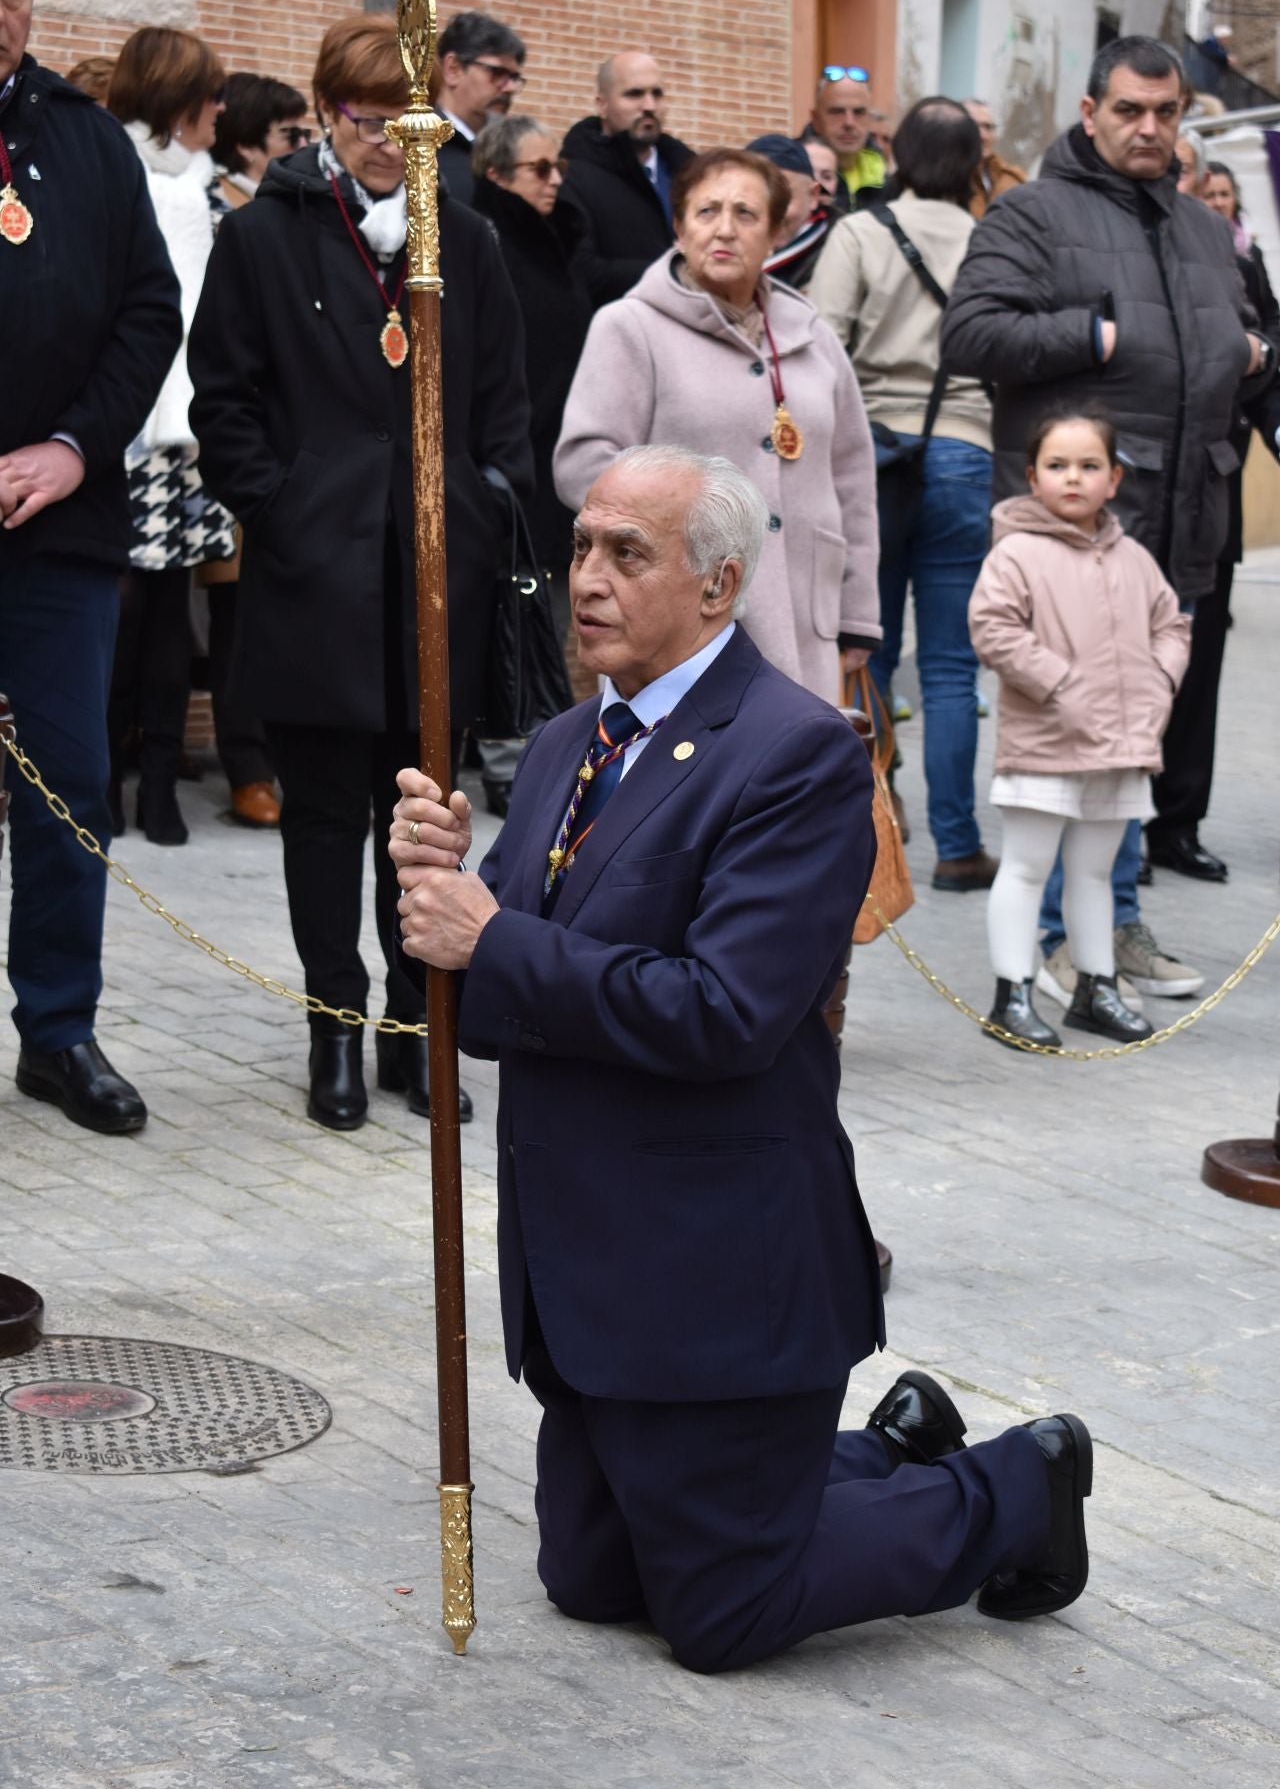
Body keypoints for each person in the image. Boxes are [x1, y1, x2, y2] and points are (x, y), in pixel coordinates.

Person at [386, 443, 1094, 1675]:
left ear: (716, 585)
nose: (586, 578)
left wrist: (493, 937)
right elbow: (485, 1005)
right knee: (590, 1583)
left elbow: (723, 1013)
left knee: (723, 1615)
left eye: (628, 553)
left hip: (715, 1275)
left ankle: (1015, 1485)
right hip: (591, 1279)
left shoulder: (795, 753)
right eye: (581, 546)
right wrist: (433, 891)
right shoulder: (564, 745)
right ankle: (881, 1451)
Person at [189, 13, 533, 1134]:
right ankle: (333, 1027)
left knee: (421, 819)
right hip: (315, 574)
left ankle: (413, 1030)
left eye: (410, 124)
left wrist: (479, 504)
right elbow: (223, 400)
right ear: (326, 112)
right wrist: (282, 506)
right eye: (368, 120)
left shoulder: (464, 239)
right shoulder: (263, 234)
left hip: (436, 575)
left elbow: (504, 401)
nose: (390, 142)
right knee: (327, 817)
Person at [941, 35, 1272, 1008]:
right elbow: (970, 332)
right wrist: (1093, 333)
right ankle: (1054, 943)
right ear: (1089, 113)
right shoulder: (1032, 212)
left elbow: (1240, 340)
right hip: (1066, 545)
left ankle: (1111, 930)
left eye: (1165, 113)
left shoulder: (1203, 228)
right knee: (1067, 750)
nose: (1147, 128)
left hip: (1180, 526)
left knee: (1131, 746)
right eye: (1128, 110)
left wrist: (1251, 353)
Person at [0, 0, 182, 1133]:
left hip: (59, 529)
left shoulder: (86, 137)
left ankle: (58, 1031)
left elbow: (148, 312)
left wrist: (70, 448)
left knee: (69, 781)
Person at [554, 146, 880, 707]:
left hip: (808, 618)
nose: (724, 228)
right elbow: (583, 462)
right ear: (679, 228)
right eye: (707, 211)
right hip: (681, 618)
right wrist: (680, 522)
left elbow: (852, 477)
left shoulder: (812, 335)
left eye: (746, 214)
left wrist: (858, 616)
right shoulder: (630, 327)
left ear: (776, 233)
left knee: (799, 755)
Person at [809, 98, 996, 888]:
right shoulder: (994, 240)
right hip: (967, 451)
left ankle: (874, 822)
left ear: (899, 157)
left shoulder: (860, 232)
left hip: (875, 458)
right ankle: (958, 846)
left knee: (867, 647)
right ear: (974, 164)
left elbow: (820, 348)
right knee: (951, 667)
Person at [971, 412, 1190, 1048]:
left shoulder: (1135, 559)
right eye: (1058, 465)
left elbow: (1171, 626)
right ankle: (1012, 993)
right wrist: (1061, 685)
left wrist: (1158, 682)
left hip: (1120, 747)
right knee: (1026, 868)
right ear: (1032, 477)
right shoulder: (1016, 552)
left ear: (1114, 479)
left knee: (1095, 872)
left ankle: (1096, 987)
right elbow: (993, 627)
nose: (1074, 477)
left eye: (1090, 466)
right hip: (1046, 743)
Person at [105, 26, 237, 847]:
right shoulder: (108, 173)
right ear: (175, 99)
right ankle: (101, 780)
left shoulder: (210, 192)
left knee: (166, 615)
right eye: (209, 95)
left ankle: (157, 787)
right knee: (114, 613)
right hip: (113, 431)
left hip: (186, 439)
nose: (221, 109)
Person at [1146, 156, 1280, 882]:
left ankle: (1176, 823)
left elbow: (1271, 356)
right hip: (1127, 491)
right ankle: (1117, 827)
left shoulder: (1238, 262)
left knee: (1198, 667)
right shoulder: (1121, 252)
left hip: (1209, 489)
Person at [202, 70, 312, 832]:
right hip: (239, 446)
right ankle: (246, 765)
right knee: (232, 612)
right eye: (289, 136)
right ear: (246, 144)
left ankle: (277, 759)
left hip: (296, 445)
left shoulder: (303, 212)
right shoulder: (223, 211)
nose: (303, 147)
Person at [470, 114, 589, 813]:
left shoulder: (556, 241)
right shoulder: (487, 241)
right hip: (510, 456)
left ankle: (538, 756)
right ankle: (507, 759)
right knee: (510, 613)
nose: (554, 182)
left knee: (548, 615)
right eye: (539, 170)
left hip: (556, 456)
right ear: (496, 176)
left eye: (559, 169)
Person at [558, 48, 693, 306]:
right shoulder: (571, 178)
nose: (649, 106)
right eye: (634, 94)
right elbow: (581, 273)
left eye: (657, 94)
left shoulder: (691, 174)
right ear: (602, 105)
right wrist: (675, 270)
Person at [433, 10, 527, 207]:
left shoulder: (509, 154)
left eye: (514, 78)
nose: (509, 87)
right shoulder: (419, 146)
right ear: (453, 69)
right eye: (497, 73)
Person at [209, 71, 309, 211]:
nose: (303, 144)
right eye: (290, 134)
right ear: (247, 146)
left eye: (304, 134)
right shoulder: (217, 208)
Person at [747, 133, 830, 291]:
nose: (769, 213)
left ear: (813, 196)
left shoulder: (838, 257)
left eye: (782, 197)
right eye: (753, 197)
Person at [799, 66, 885, 215]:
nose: (849, 123)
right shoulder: (791, 174)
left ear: (870, 119)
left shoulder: (888, 182)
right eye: (837, 112)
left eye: (858, 112)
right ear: (816, 119)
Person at [964, 99, 1026, 217]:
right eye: (974, 127)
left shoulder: (1010, 177)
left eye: (988, 127)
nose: (983, 136)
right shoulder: (949, 181)